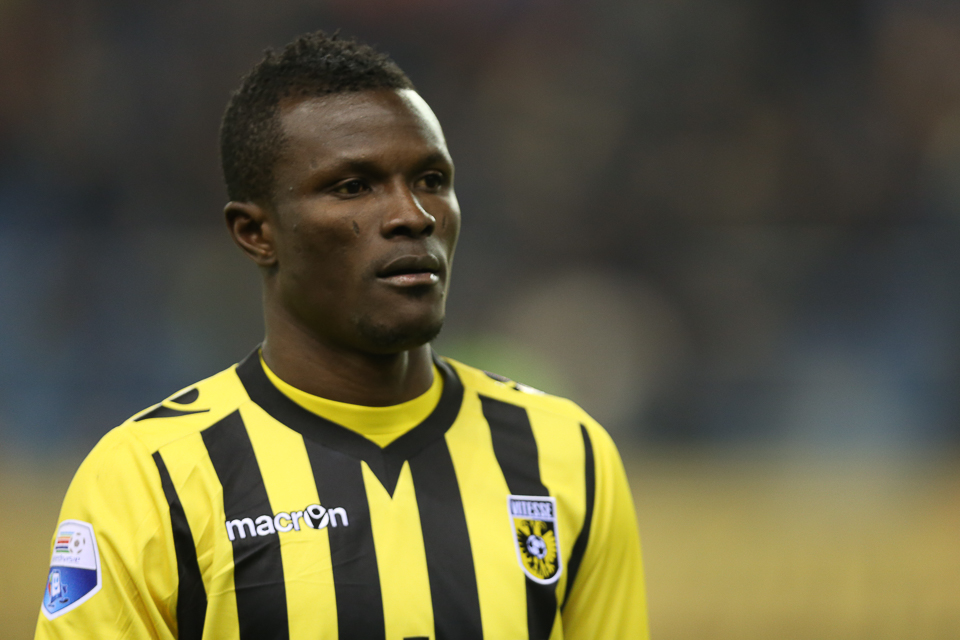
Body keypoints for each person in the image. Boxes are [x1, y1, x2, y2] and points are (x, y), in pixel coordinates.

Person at [35, 31, 648, 640]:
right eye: (353, 187)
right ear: (256, 233)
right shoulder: (150, 478)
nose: (413, 215)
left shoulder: (567, 455)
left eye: (431, 179)